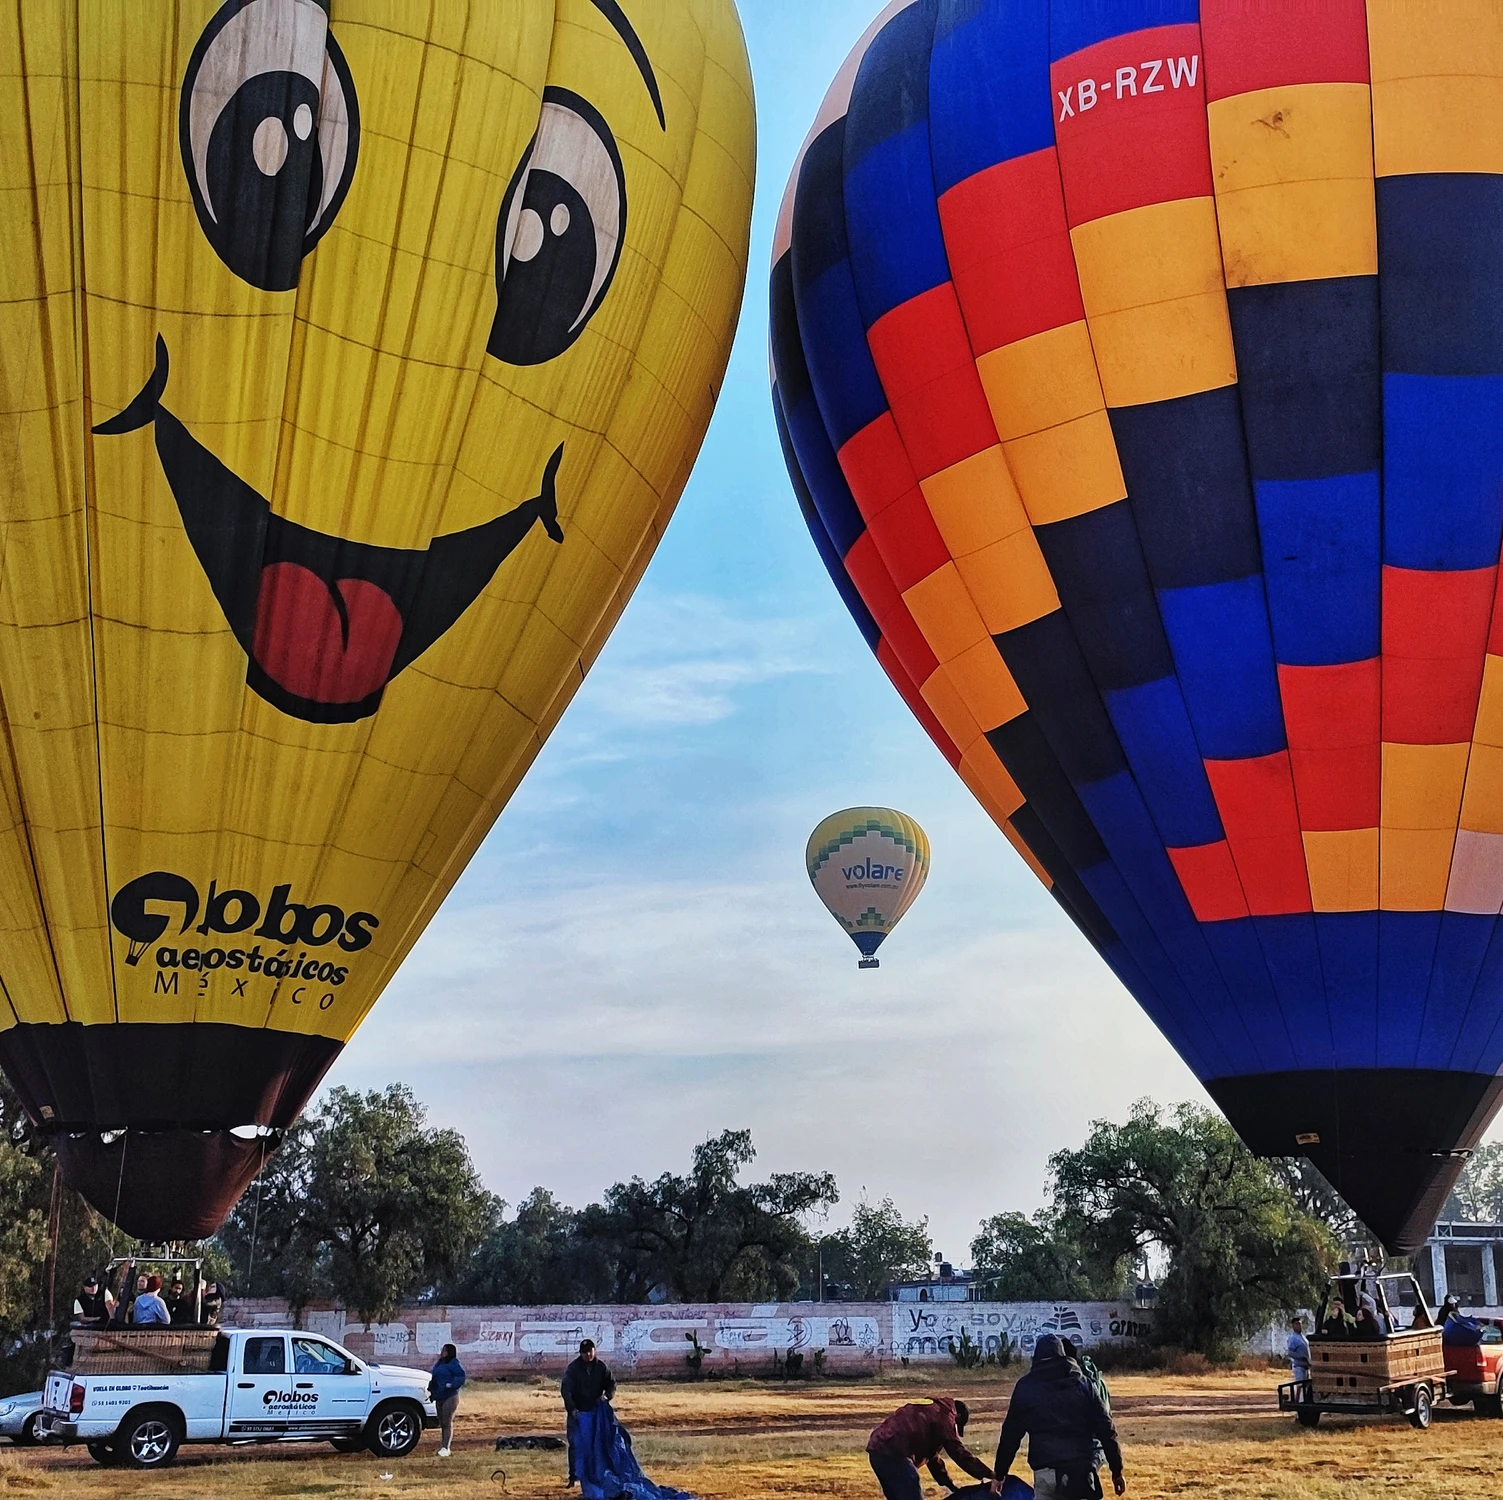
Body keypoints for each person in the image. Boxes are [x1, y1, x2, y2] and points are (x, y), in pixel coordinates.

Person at [992, 1334, 1125, 1499]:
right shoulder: (1084, 1385)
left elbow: (1010, 1436)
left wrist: (999, 1475)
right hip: (1081, 1473)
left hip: (1046, 1472)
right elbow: (1106, 1428)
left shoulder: (1026, 1387)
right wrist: (1117, 1470)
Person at [867, 1396, 993, 1498]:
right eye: (956, 1425)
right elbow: (958, 1452)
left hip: (876, 1451)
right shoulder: (944, 1415)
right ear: (957, 1416)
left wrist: (950, 1485)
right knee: (911, 1490)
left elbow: (933, 1460)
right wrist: (988, 1473)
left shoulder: (932, 1410)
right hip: (894, 1452)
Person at [562, 1339, 617, 1488]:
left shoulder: (601, 1367)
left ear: (594, 1351)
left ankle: (596, 1474)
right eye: (585, 1352)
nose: (588, 1354)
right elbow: (566, 1391)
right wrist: (572, 1409)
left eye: (591, 1351)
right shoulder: (573, 1369)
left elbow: (611, 1384)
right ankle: (574, 1477)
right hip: (578, 1412)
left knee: (596, 1444)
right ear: (581, 1353)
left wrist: (606, 1397)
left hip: (595, 1413)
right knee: (576, 1444)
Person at [428, 1341, 466, 1458]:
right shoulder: (439, 1364)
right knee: (442, 1421)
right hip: (439, 1395)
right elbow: (435, 1377)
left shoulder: (454, 1364)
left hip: (450, 1395)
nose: (442, 1353)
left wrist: (451, 1384)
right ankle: (443, 1445)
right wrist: (431, 1389)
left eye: (444, 1351)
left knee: (447, 1420)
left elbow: (461, 1376)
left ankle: (446, 1447)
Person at [1286, 1319, 1311, 1386]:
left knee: (1306, 1388)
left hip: (1306, 1367)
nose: (1299, 1326)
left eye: (1300, 1324)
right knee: (1300, 1387)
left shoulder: (1303, 1337)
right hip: (1299, 1367)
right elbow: (1290, 1352)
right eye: (1297, 1324)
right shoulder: (1293, 1338)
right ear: (1293, 1326)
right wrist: (1300, 1357)